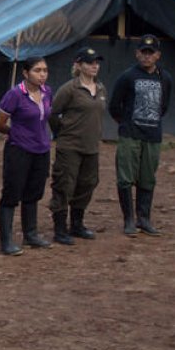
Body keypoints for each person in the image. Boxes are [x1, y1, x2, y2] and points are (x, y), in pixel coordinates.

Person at [107, 34, 173, 237]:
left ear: (158, 55)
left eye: (150, 53)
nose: (146, 56)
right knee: (126, 178)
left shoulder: (165, 78)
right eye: (143, 52)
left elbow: (164, 106)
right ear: (137, 53)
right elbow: (114, 105)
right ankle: (129, 220)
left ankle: (144, 218)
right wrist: (125, 124)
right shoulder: (127, 76)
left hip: (152, 135)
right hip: (130, 134)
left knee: (147, 178)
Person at [47, 47, 108, 245]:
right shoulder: (69, 89)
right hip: (70, 146)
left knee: (87, 184)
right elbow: (53, 113)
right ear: (79, 65)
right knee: (65, 185)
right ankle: (59, 228)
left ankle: (77, 224)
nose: (94, 66)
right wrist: (61, 132)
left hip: (91, 146)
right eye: (90, 62)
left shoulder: (100, 88)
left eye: (96, 62)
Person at [0, 57, 53, 255]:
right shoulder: (15, 94)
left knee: (34, 192)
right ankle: (7, 241)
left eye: (45, 70)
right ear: (26, 73)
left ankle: (31, 234)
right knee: (12, 193)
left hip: (41, 149)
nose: (42, 74)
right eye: (37, 70)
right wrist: (14, 133)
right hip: (19, 150)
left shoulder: (47, 92)